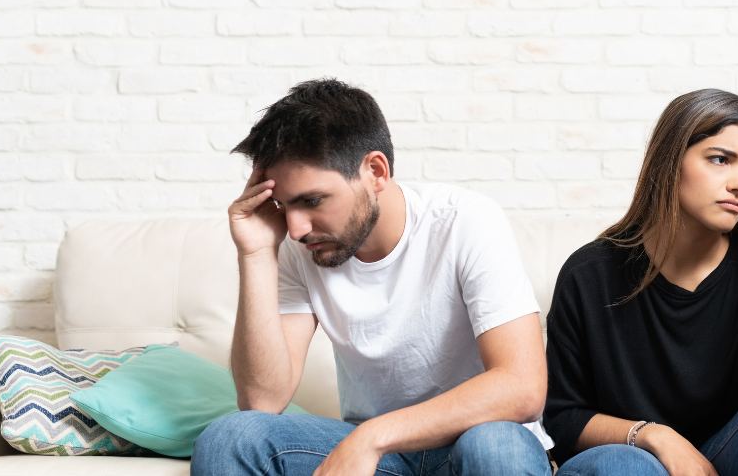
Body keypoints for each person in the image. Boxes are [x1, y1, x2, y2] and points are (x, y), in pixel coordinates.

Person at [193, 78, 553, 476]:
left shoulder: (465, 220)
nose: (295, 228)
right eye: (283, 206)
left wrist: (372, 437)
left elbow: (522, 387)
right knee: (231, 437)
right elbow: (263, 401)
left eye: (312, 200)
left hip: (470, 442)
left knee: (495, 444)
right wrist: (257, 252)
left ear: (375, 171)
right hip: (379, 460)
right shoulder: (300, 246)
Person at [542, 89, 738, 476]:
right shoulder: (590, 273)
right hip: (633, 460)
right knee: (624, 464)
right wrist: (656, 437)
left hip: (726, 459)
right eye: (720, 159)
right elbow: (562, 418)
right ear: (670, 162)